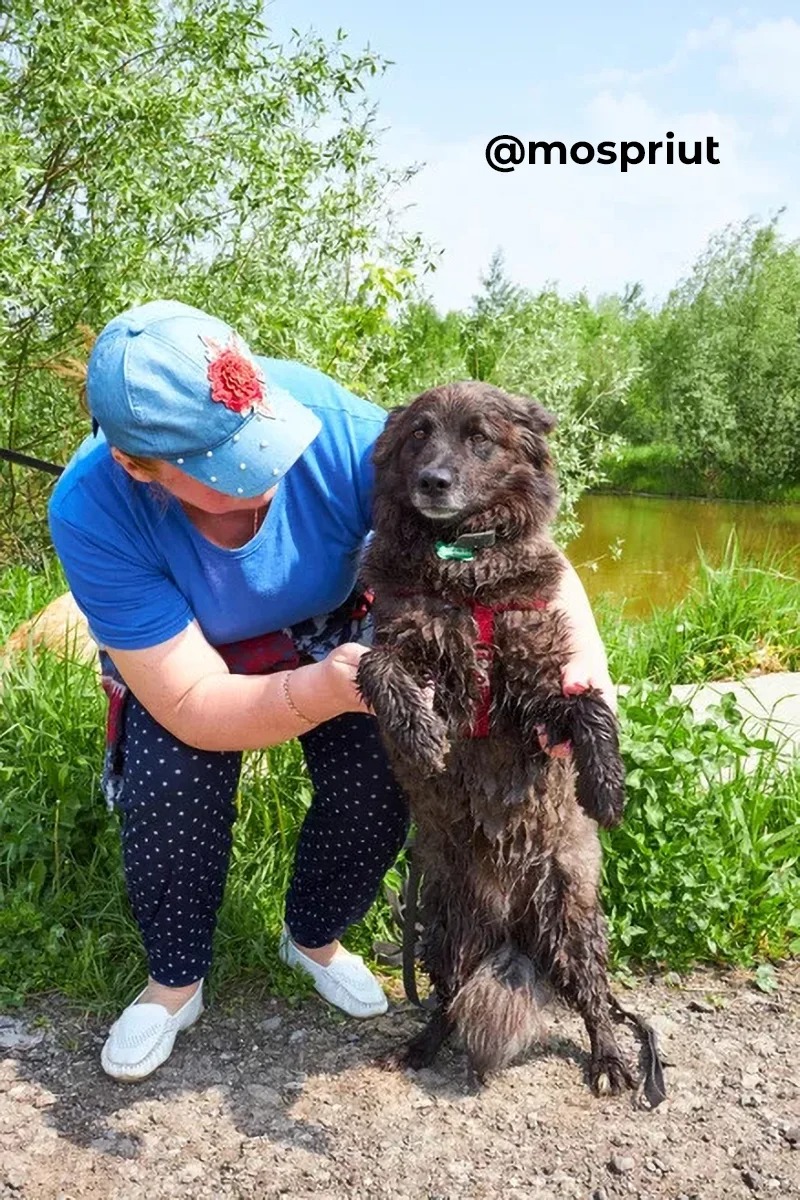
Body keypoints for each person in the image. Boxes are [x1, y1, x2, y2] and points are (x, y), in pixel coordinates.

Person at [48, 299, 615, 1082]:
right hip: (192, 658)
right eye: (225, 468)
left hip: (331, 626)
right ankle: (174, 984)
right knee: (170, 788)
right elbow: (190, 702)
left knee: (385, 775)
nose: (266, 473)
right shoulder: (93, 510)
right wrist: (314, 691)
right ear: (140, 468)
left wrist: (587, 683)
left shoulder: (335, 428)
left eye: (261, 444)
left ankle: (313, 936)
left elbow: (527, 556)